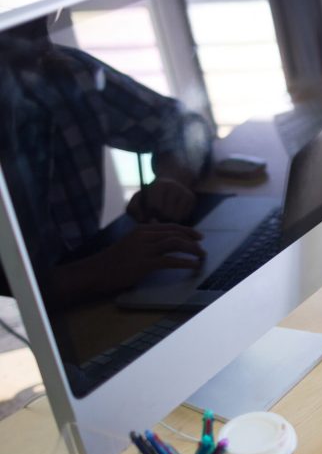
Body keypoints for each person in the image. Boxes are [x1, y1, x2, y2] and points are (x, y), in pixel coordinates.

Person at [0, 17, 208, 305]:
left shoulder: (66, 73)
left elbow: (183, 124)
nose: (45, 41)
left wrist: (171, 178)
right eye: (22, 31)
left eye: (43, 22)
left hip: (93, 301)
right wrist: (97, 271)